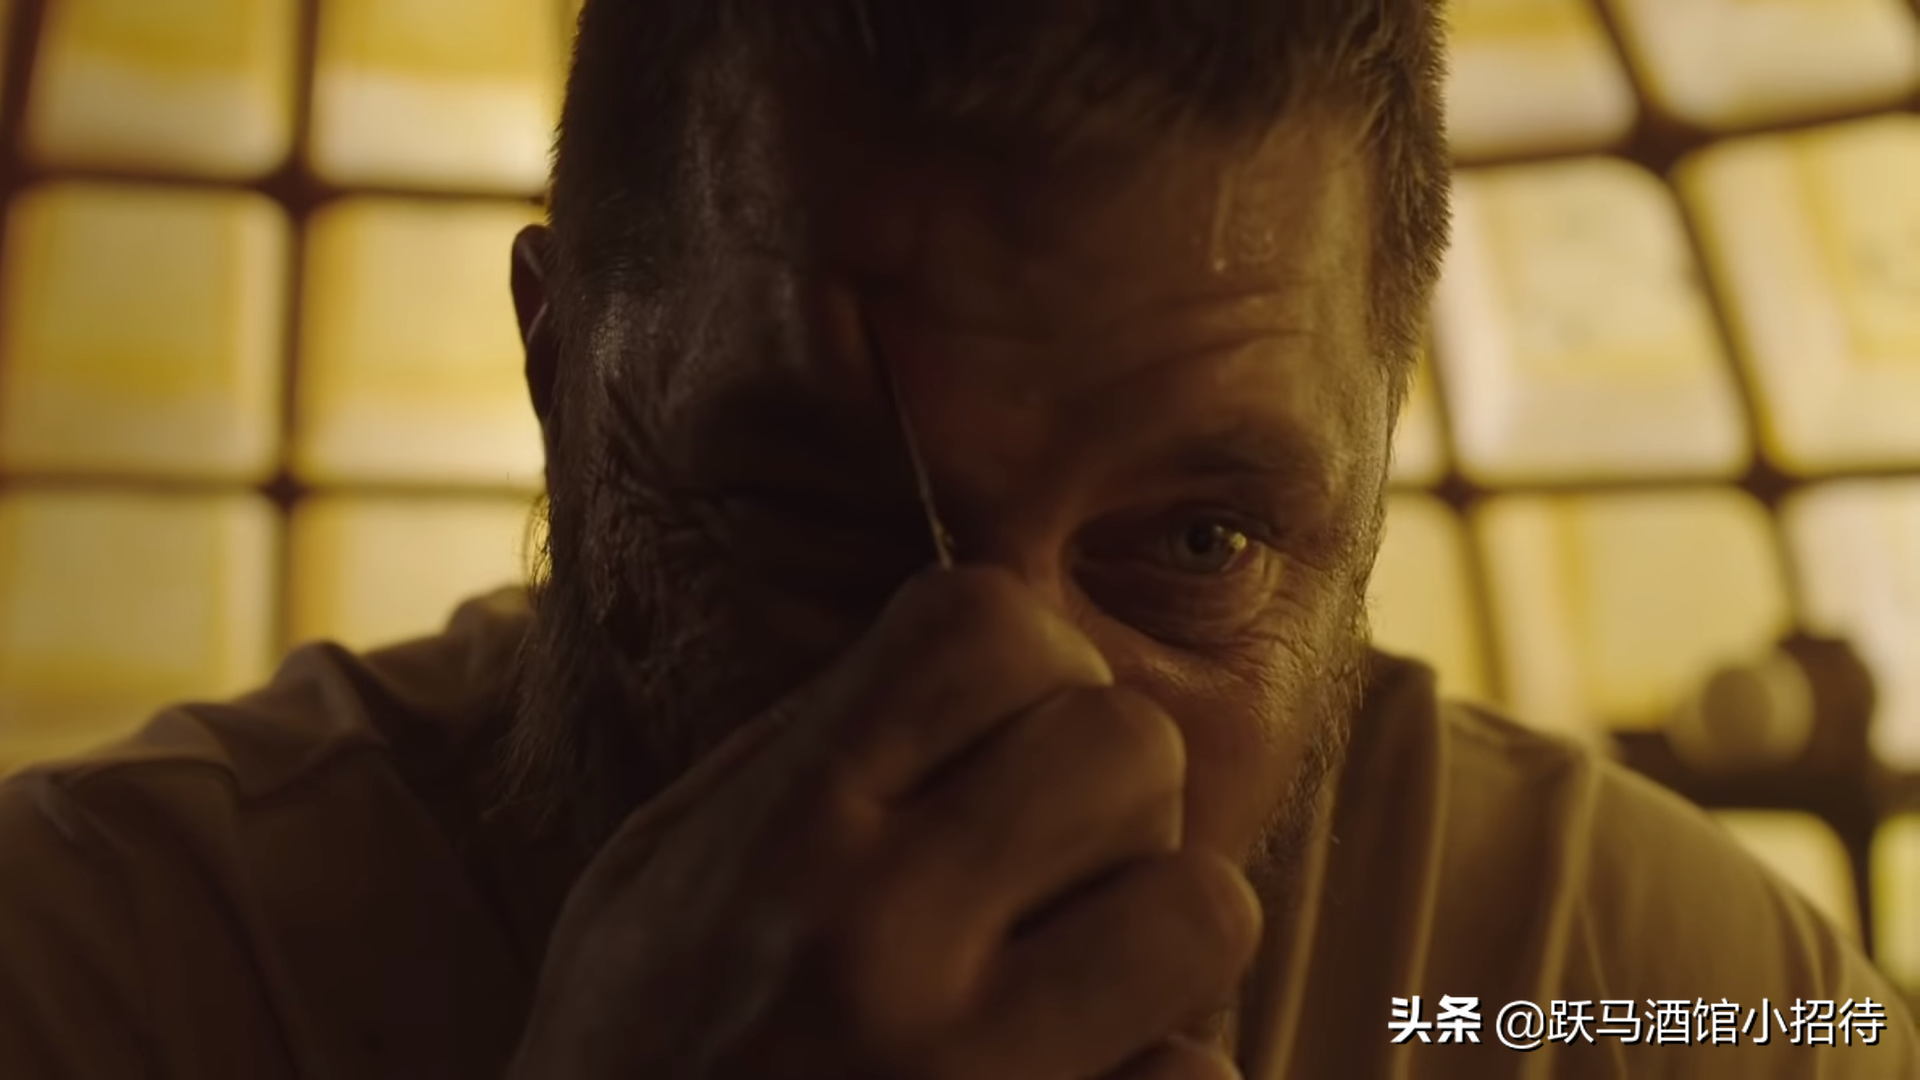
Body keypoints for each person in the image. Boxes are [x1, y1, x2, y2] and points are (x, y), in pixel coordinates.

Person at [0, 1, 1912, 1077]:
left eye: (1201, 544)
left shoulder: (1644, 990)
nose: (1015, 708)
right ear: (559, 370)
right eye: (811, 514)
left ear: (1376, 461)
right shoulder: (98, 979)